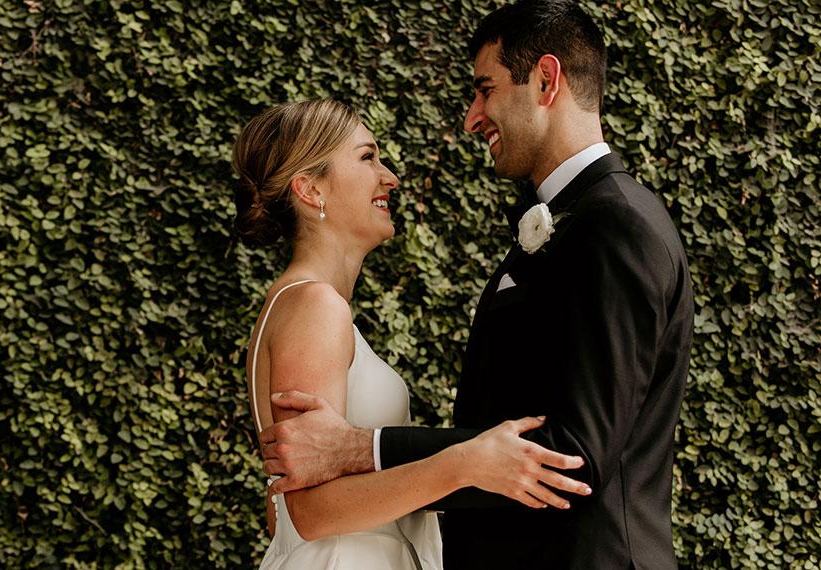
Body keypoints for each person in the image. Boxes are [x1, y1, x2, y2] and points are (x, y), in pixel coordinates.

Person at [259, 2, 695, 569]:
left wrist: (365, 448)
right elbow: (297, 504)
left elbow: (573, 457)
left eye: (485, 90)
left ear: (546, 80)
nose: (471, 118)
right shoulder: (569, 223)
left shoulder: (616, 225)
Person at [233, 99, 592, 569]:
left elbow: (279, 508)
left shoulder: (301, 305)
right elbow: (310, 512)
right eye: (367, 157)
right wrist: (463, 463)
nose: (390, 178)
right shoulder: (314, 306)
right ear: (311, 189)